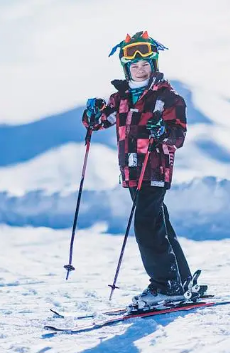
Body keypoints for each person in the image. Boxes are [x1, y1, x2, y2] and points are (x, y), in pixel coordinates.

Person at [82, 31, 202, 306]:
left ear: (154, 64)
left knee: (146, 226)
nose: (139, 69)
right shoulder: (120, 98)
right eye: (134, 66)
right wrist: (90, 114)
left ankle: (165, 286)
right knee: (159, 225)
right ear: (126, 68)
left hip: (155, 168)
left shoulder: (169, 98)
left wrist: (162, 132)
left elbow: (178, 136)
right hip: (131, 171)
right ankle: (182, 282)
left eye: (145, 64)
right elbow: (100, 122)